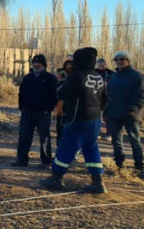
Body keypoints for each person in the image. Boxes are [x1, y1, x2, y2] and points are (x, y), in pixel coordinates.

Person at [42, 47, 107, 193]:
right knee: (91, 148)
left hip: (78, 119)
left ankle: (56, 178)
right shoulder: (98, 76)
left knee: (66, 147)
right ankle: (98, 182)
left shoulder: (77, 76)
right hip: (95, 120)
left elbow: (63, 93)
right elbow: (105, 99)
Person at [12, 54, 59, 168]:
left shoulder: (50, 78)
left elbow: (55, 95)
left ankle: (46, 161)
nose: (36, 65)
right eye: (35, 63)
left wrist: (48, 109)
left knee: (44, 137)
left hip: (43, 113)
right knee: (24, 136)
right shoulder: (28, 78)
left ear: (44, 65)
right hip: (27, 112)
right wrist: (21, 107)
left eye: (39, 63)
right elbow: (21, 93)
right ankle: (22, 160)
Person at [105, 50, 143, 175]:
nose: (119, 62)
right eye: (116, 59)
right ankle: (118, 164)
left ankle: (139, 165)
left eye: (122, 59)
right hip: (114, 114)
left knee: (134, 140)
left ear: (128, 60)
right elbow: (108, 94)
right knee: (116, 140)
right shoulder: (114, 76)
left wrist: (132, 108)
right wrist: (106, 111)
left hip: (130, 114)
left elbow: (140, 95)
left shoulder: (137, 76)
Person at [55, 56, 74, 142]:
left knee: (71, 131)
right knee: (60, 129)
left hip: (73, 107)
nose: (69, 66)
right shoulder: (60, 72)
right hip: (61, 105)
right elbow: (57, 88)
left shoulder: (78, 74)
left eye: (71, 63)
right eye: (67, 64)